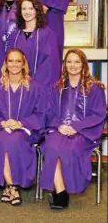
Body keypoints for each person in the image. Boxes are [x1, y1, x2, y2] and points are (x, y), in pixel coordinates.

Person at [41, 49, 106, 210]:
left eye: (77, 62)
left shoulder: (95, 88)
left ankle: (61, 192)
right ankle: (61, 191)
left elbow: (98, 114)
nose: (73, 65)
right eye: (69, 61)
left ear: (83, 64)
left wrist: (76, 127)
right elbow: (48, 111)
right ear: (64, 64)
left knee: (69, 149)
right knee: (51, 147)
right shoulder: (57, 87)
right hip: (59, 129)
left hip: (83, 132)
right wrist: (59, 125)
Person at [0, 48, 46, 206]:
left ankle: (8, 187)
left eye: (18, 61)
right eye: (11, 61)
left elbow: (41, 113)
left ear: (24, 64)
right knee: (3, 140)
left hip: (26, 130)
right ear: (6, 64)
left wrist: (21, 123)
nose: (14, 64)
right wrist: (2, 122)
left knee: (14, 140)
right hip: (1, 128)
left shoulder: (35, 87)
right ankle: (12, 187)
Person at [7, 0, 60, 89]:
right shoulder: (14, 36)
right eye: (24, 9)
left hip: (41, 88)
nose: (27, 12)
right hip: (18, 87)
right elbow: (8, 62)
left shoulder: (48, 34)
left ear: (37, 10)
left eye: (31, 8)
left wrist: (33, 84)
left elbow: (50, 65)